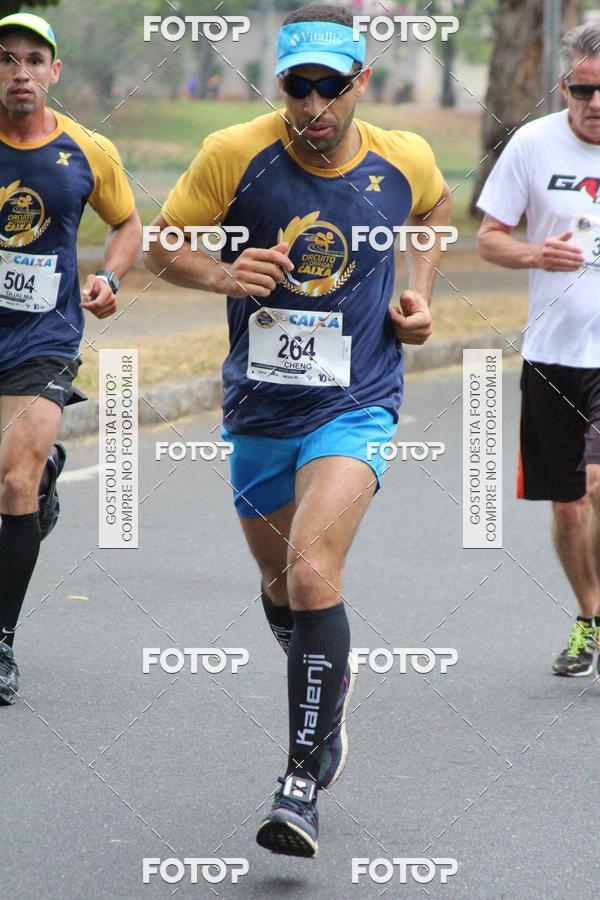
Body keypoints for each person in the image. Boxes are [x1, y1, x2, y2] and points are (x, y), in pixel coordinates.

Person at [145, 3, 451, 858]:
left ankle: (300, 779)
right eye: (296, 86)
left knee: (315, 569)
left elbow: (432, 211)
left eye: (328, 86)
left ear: (359, 82)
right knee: (281, 586)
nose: (312, 104)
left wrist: (415, 292)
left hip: (356, 401)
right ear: (279, 83)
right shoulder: (233, 155)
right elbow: (159, 246)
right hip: (259, 406)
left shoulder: (403, 157)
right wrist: (222, 272)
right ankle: (326, 674)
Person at [0, 13, 141, 703]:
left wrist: (110, 277)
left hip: (43, 337)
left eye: (33, 60)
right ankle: (51, 466)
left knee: (12, 481)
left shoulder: (86, 149)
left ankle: (0, 640)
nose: (19, 71)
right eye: (5, 59)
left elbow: (127, 223)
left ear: (54, 73)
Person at [477, 22, 600, 677]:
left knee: (599, 483)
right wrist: (534, 253)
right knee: (570, 503)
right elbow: (489, 236)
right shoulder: (533, 143)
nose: (596, 102)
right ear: (565, 85)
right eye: (584, 89)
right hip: (555, 356)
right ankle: (590, 617)